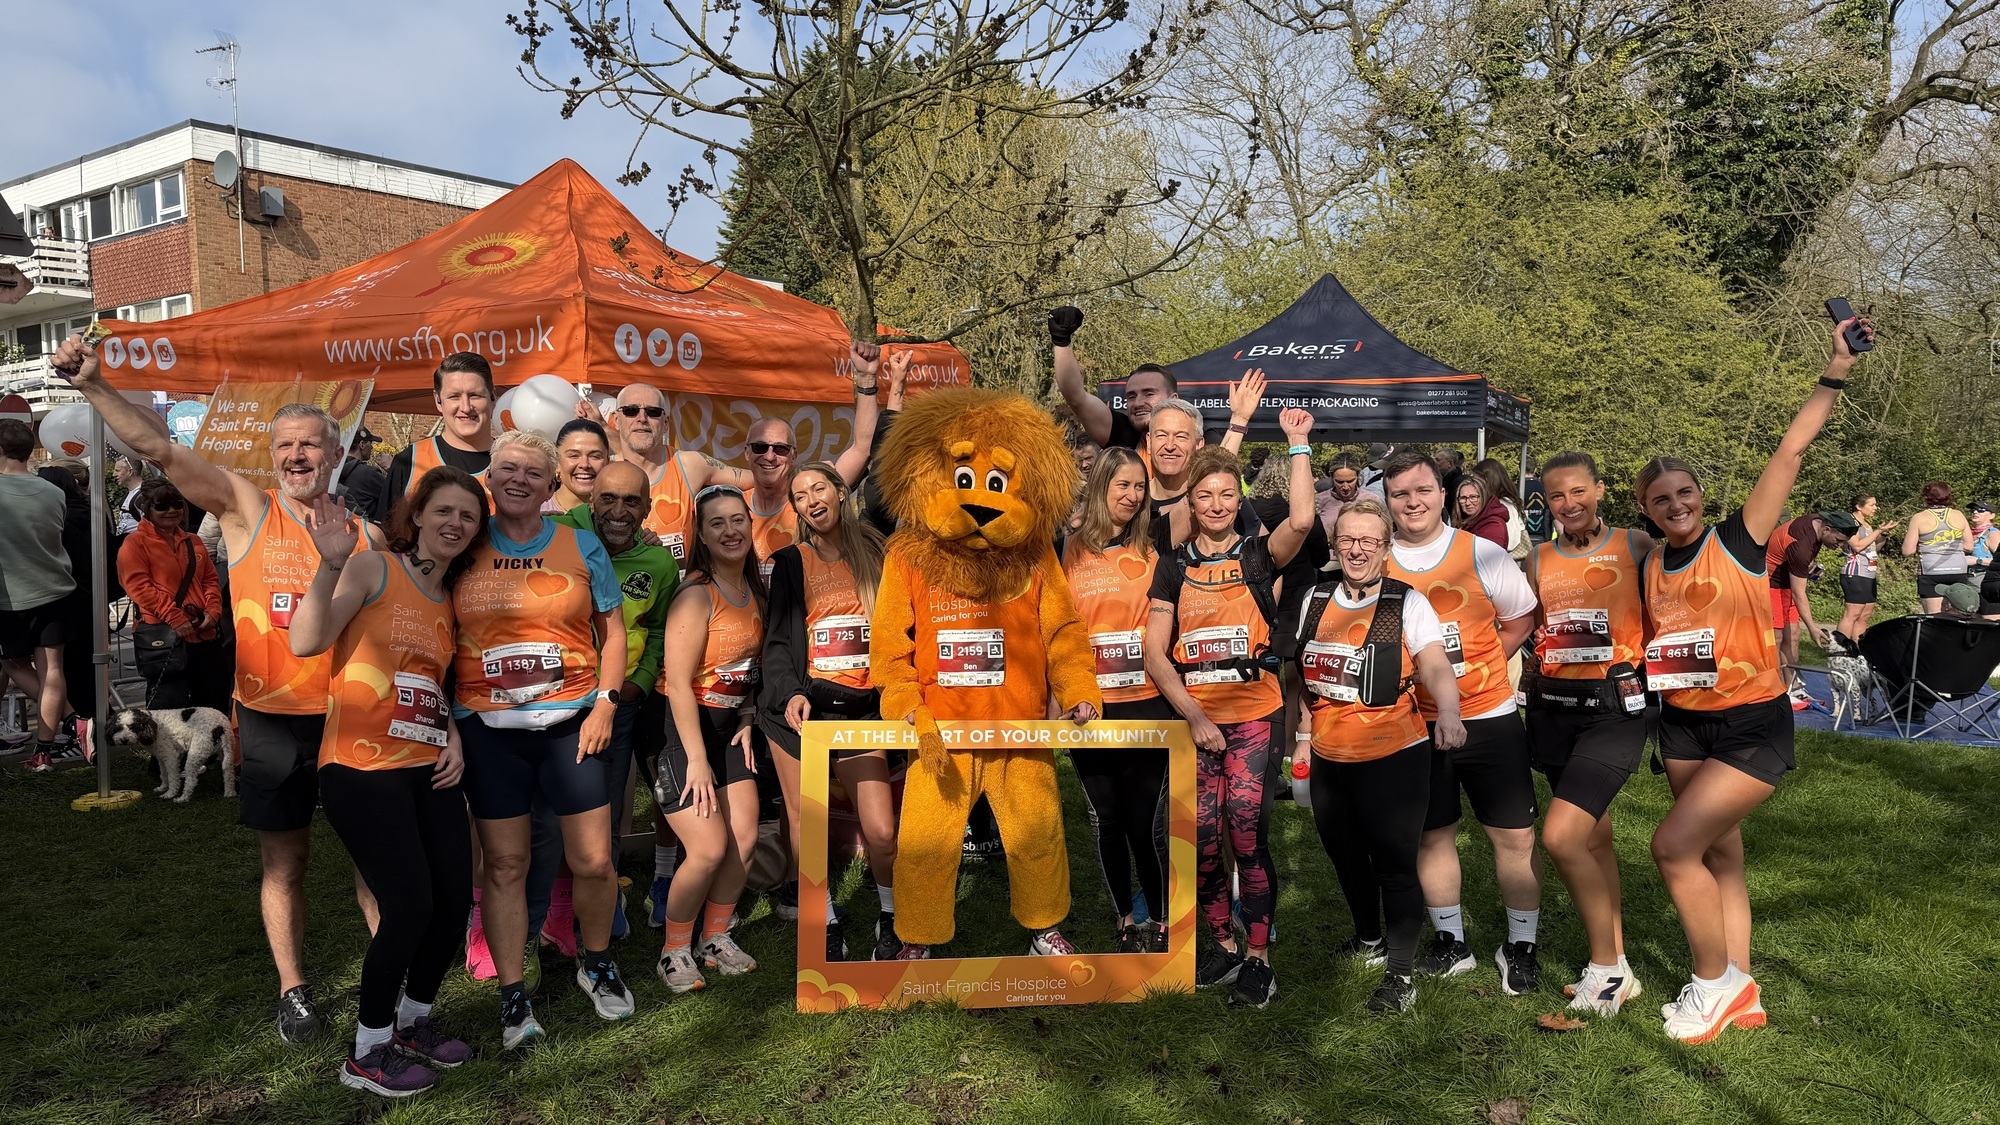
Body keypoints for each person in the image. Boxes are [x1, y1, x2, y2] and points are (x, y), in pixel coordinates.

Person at [53, 329, 383, 1042]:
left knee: (373, 859)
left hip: (350, 718)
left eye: (311, 445)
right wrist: (94, 386)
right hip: (269, 717)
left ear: (336, 453)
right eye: (286, 445)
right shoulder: (246, 507)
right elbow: (164, 452)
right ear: (275, 456)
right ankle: (294, 990)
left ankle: (391, 983)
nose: (298, 455)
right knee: (285, 859)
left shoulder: (367, 535)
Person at [1638, 315, 1870, 1042]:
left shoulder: (1738, 538)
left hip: (1750, 723)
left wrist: (1836, 367)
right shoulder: (1650, 561)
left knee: (1672, 847)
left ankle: (1713, 985)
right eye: (1661, 499)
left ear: (1700, 493)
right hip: (1682, 722)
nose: (1676, 505)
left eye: (1684, 493)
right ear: (1646, 510)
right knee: (1719, 852)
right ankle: (1744, 983)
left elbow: (1792, 449)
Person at [288, 468, 486, 1097]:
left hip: (427, 766)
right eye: (444, 511)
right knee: (408, 906)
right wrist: (328, 565)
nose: (454, 524)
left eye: (467, 517)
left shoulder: (451, 598)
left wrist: (451, 734)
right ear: (418, 515)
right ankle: (367, 1052)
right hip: (360, 768)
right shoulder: (374, 568)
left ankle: (413, 1023)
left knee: (454, 902)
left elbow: (434, 684)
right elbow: (307, 639)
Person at [451, 430, 632, 1046]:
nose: (519, 479)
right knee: (504, 863)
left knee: (594, 858)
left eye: (533, 471)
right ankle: (512, 996)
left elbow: (613, 627)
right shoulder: (465, 547)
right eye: (507, 469)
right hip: (491, 731)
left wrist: (606, 703)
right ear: (490, 478)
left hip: (571, 724)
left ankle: (598, 963)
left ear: (552, 484)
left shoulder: (580, 544)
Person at [1143, 409, 1318, 1009]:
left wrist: (1298, 445)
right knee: (1203, 836)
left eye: (1225, 494)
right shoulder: (1174, 565)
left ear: (1235, 498)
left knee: (1246, 832)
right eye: (1204, 495)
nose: (1216, 505)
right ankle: (1219, 941)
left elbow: (1302, 518)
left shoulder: (1258, 554)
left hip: (1253, 714)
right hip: (1198, 718)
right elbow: (1152, 652)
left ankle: (1259, 957)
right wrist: (1193, 715)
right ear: (1188, 502)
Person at [1295, 498, 1466, 1013]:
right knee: (1344, 856)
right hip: (1329, 752)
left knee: (1394, 866)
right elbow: (1299, 673)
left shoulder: (1405, 602)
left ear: (1386, 548)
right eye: (1348, 539)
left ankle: (1400, 975)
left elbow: (1435, 667)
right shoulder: (1315, 597)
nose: (1357, 549)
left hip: (1393, 753)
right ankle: (1368, 939)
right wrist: (1302, 734)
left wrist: (1451, 714)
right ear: (1335, 544)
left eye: (1370, 540)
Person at [1379, 451, 1542, 992]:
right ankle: (1452, 943)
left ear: (1442, 494)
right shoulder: (1379, 562)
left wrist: (1483, 661)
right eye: (1400, 494)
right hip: (1413, 724)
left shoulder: (1484, 552)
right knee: (1433, 836)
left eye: (1422, 490)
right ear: (1389, 502)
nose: (1412, 502)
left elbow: (1521, 616)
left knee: (1515, 838)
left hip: (1490, 714)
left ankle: (1521, 945)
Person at [1523, 452, 1654, 1016]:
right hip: (1553, 708)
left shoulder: (1637, 545)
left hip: (1615, 708)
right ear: (1545, 503)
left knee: (1563, 837)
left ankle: (1603, 969)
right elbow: (1527, 625)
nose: (1569, 504)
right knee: (1593, 838)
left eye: (1579, 492)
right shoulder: (1538, 558)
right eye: (1556, 496)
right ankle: (1619, 963)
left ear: (1599, 490)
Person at [533, 460, 677, 954]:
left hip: (619, 706)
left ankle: (604, 899)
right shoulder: (556, 534)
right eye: (608, 499)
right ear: (590, 500)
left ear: (648, 509)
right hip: (560, 699)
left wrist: (637, 683)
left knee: (608, 810)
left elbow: (657, 628)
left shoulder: (658, 563)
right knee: (549, 813)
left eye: (631, 501)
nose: (618, 511)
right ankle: (549, 911)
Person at [759, 461, 902, 962]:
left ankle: (891, 916)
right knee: (807, 824)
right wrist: (792, 692)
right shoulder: (790, 562)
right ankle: (826, 919)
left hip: (865, 709)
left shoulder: (881, 550)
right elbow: (777, 643)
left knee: (882, 830)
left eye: (819, 488)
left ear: (841, 493)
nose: (811, 499)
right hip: (804, 711)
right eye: (800, 496)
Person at [652, 484, 766, 994]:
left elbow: (749, 669)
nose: (730, 530)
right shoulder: (697, 593)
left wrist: (745, 716)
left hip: (727, 728)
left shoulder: (755, 589)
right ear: (701, 533)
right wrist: (696, 760)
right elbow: (677, 683)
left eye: (737, 519)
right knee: (707, 847)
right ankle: (674, 949)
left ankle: (714, 936)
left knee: (743, 837)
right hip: (679, 727)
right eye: (716, 522)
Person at [1061, 447, 1174, 954]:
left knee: (1145, 819)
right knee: (1105, 818)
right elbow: (1058, 632)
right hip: (1089, 706)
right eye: (1121, 486)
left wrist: (1236, 426)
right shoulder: (1068, 549)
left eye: (1139, 487)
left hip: (1148, 701)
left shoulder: (1156, 544)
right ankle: (1126, 921)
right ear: (1101, 486)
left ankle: (1164, 918)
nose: (1131, 496)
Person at [742, 341, 883, 572]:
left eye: (780, 449)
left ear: (793, 455)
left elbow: (862, 447)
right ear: (746, 452)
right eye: (759, 447)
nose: (769, 456)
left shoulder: (810, 499)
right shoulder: (734, 507)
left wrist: (866, 380)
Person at [0, 419, 80, 772]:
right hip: (56, 589)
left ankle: (74, 721)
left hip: (11, 596)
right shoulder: (55, 491)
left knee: (12, 664)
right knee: (52, 670)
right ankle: (44, 751)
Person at [605, 382, 752, 564]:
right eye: (630, 410)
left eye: (653, 412)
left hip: (681, 590)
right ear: (616, 420)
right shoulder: (603, 472)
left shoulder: (689, 465)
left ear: (665, 423)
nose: (642, 418)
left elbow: (758, 482)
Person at [118, 478, 230, 712]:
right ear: (147, 509)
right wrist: (174, 617)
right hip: (163, 636)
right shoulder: (134, 544)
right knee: (169, 709)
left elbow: (209, 579)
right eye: (162, 506)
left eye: (177, 504)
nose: (171, 511)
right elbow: (138, 586)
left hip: (203, 635)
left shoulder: (194, 541)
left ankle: (210, 750)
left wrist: (213, 610)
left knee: (212, 707)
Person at [1765, 508, 1861, 706]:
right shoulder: (1801, 547)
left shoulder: (1819, 521)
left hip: (1786, 579)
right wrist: (1812, 627)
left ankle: (1794, 687)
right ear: (1826, 529)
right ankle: (1774, 690)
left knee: (1792, 635)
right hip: (1768, 581)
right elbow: (1800, 593)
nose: (1841, 546)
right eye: (1839, 540)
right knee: (1776, 636)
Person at [1049, 305, 1173, 452]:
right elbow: (1077, 398)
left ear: (1173, 399)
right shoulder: (1124, 437)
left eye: (1149, 394)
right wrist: (1061, 341)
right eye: (1131, 396)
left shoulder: (1198, 440)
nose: (1138, 403)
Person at [385, 354, 496, 501]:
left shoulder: (514, 465)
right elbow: (388, 524)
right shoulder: (409, 461)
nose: (466, 407)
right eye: (454, 396)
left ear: (493, 397)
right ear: (438, 401)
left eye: (475, 395)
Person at [1902, 481, 1972, 613]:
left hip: (1932, 571)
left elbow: (1907, 551)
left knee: (1934, 619)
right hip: (1958, 570)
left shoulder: (1919, 518)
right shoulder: (1959, 515)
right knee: (1957, 616)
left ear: (1926, 497)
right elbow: (1969, 546)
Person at [1837, 495, 1895, 641]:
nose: (1875, 508)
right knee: (1853, 613)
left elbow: (1873, 548)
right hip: (1855, 572)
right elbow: (1857, 546)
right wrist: (1877, 532)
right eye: (1872, 505)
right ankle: (1840, 648)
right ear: (1859, 506)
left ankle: (1858, 648)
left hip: (1869, 574)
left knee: (1865, 615)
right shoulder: (1850, 522)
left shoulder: (1867, 525)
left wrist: (1882, 536)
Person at [1473, 459, 1530, 564]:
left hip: (1501, 561)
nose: (1475, 485)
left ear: (1488, 480)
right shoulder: (1509, 501)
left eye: (1477, 480)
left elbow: (1512, 539)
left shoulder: (1502, 504)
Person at [550, 418, 612, 512]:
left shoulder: (618, 517)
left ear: (607, 462)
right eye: (574, 456)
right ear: (557, 462)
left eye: (595, 456)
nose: (585, 464)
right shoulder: (534, 514)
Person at [336, 427, 388, 524]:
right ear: (362, 444)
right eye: (370, 443)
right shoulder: (370, 474)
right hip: (366, 531)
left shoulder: (332, 471)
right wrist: (391, 467)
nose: (372, 447)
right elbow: (397, 495)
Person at [1315, 453, 1365, 537]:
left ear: (1358, 476)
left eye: (1350, 481)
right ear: (1331, 477)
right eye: (1340, 482)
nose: (1345, 487)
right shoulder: (1319, 500)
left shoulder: (1371, 499)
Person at [1451, 474, 1507, 547]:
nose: (1468, 503)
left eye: (1473, 497)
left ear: (1483, 497)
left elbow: (1486, 555)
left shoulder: (1494, 525)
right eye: (1463, 498)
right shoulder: (1466, 521)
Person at [1968, 501, 2000, 619]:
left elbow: (1998, 563)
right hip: (1969, 584)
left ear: (1992, 515)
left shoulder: (1993, 535)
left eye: (1981, 510)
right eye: (1973, 510)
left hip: (1987, 584)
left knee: (1991, 625)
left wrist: (1977, 561)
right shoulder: (1968, 534)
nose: (1975, 512)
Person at [114, 455, 145, 534]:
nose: (114, 474)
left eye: (117, 470)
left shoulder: (143, 496)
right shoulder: (130, 494)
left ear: (130, 472)